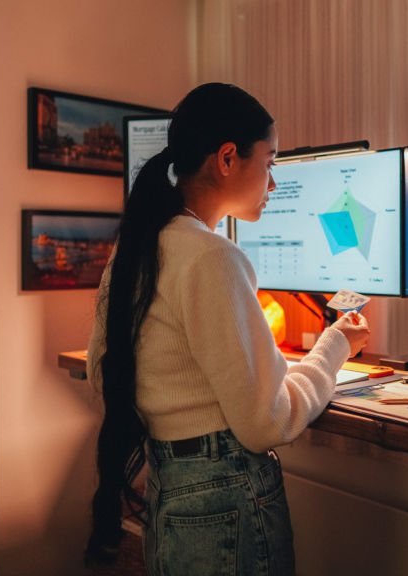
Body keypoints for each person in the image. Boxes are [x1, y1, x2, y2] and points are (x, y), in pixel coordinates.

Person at [84, 83, 370, 575]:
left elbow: (100, 371)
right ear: (227, 158)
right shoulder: (213, 257)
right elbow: (267, 422)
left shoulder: (137, 247)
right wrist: (335, 345)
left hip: (171, 483)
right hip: (226, 494)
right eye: (271, 161)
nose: (274, 182)